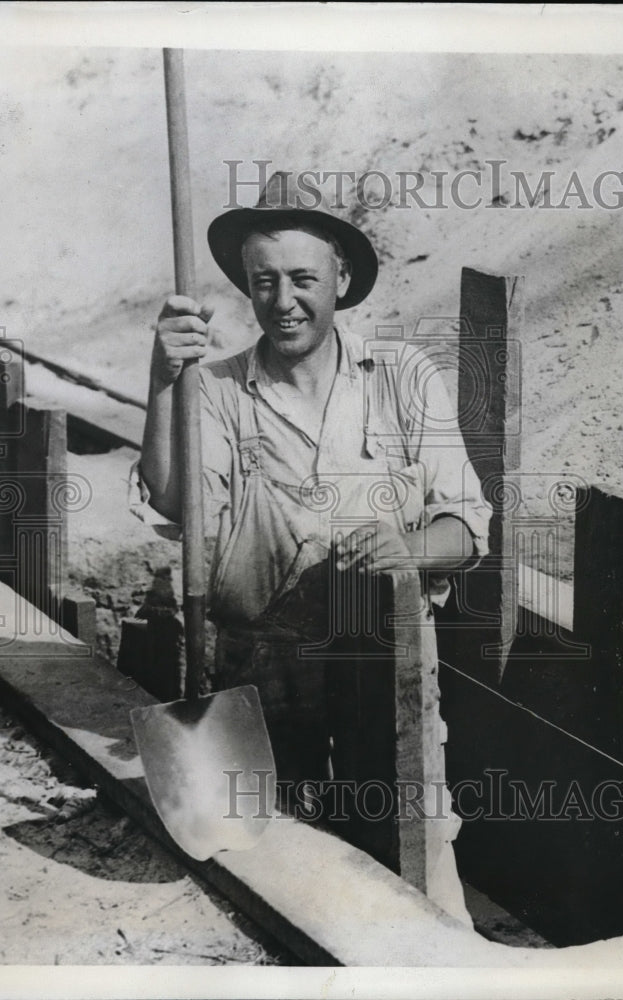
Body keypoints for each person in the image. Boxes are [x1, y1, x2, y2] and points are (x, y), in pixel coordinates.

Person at [131, 171, 491, 927]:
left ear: (342, 279)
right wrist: (164, 378)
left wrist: (408, 549)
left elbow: (466, 528)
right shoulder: (215, 389)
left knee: (421, 893)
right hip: (261, 688)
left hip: (385, 680)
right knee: (285, 899)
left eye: (303, 279)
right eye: (265, 282)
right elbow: (173, 499)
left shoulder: (400, 378)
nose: (284, 300)